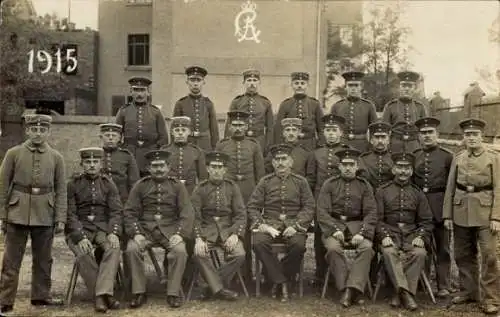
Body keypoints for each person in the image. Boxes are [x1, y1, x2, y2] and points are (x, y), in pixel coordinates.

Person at [0, 114, 66, 313]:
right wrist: (2, 214)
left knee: (44, 259)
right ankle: (5, 298)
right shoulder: (13, 153)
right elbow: (2, 185)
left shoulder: (56, 157)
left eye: (42, 130)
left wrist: (60, 218)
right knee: (11, 259)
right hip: (17, 211)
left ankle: (41, 296)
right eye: (34, 129)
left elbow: (61, 189)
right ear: (27, 130)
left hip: (45, 212)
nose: (38, 133)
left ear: (48, 132)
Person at [123, 150, 194, 309]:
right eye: (155, 166)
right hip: (145, 230)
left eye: (162, 165)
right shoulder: (140, 186)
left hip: (170, 230)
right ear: (148, 168)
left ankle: (173, 292)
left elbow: (187, 212)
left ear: (168, 167)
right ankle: (139, 291)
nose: (159, 169)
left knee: (180, 251)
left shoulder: (177, 186)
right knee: (132, 249)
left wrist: (180, 234)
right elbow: (129, 212)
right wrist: (136, 234)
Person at [443, 118, 500, 315]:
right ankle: (470, 291)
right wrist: (448, 215)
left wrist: (496, 217)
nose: (471, 138)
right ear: (463, 137)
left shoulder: (493, 158)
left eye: (475, 134)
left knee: (490, 256)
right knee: (462, 254)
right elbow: (450, 188)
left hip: (485, 213)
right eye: (468, 135)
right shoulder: (458, 158)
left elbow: (498, 188)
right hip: (460, 212)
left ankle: (491, 297)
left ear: (482, 136)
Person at [248, 144, 315, 302]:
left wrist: (296, 225)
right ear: (272, 163)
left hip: (293, 224)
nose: (280, 163)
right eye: (277, 160)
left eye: (284, 159)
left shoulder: (301, 182)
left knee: (298, 246)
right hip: (270, 224)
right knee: (258, 243)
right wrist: (262, 225)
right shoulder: (265, 182)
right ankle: (283, 281)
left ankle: (276, 277)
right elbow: (252, 206)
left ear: (291, 162)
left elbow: (309, 206)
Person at [316, 148, 377, 307]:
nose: (348, 168)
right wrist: (335, 229)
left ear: (357, 166)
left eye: (352, 164)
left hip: (357, 228)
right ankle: (345, 289)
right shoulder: (329, 184)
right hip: (334, 228)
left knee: (367, 249)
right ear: (339, 166)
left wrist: (363, 233)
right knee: (333, 249)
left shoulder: (365, 186)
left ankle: (351, 289)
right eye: (345, 165)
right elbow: (321, 211)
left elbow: (371, 212)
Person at [65, 147, 123, 313]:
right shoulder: (73, 184)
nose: (91, 165)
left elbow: (116, 211)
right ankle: (102, 296)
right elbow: (70, 214)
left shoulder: (108, 184)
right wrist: (79, 237)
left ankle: (102, 293)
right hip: (78, 229)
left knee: (113, 248)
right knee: (83, 253)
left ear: (101, 164)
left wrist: (113, 232)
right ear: (82, 164)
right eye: (88, 162)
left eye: (95, 162)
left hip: (102, 229)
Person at [375, 152, 433, 311]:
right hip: (390, 233)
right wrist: (384, 236)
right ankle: (406, 295)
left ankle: (398, 292)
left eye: (407, 168)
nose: (403, 171)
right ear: (393, 169)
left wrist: (421, 236)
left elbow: (427, 221)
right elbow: (377, 219)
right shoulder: (382, 191)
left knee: (420, 253)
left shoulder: (418, 193)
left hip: (411, 235)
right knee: (389, 252)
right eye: (399, 167)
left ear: (412, 171)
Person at [191, 151, 246, 301]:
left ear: (225, 170)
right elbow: (194, 216)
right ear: (207, 169)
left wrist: (235, 234)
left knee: (239, 254)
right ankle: (220, 289)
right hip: (206, 231)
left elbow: (241, 214)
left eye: (219, 167)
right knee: (199, 253)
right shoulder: (200, 188)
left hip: (227, 230)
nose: (216, 170)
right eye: (213, 167)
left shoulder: (232, 187)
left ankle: (210, 286)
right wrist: (198, 238)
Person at [306, 114, 350, 284]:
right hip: (320, 201)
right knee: (319, 237)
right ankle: (320, 273)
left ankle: (336, 271)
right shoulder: (316, 153)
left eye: (334, 130)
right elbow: (311, 179)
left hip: (340, 201)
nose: (331, 133)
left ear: (341, 133)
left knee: (339, 236)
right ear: (323, 133)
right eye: (328, 130)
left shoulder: (347, 152)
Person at [412, 117, 453, 297]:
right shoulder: (415, 156)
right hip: (421, 207)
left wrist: (448, 212)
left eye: (430, 132)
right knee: (423, 246)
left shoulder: (447, 156)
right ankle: (424, 281)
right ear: (419, 136)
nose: (427, 136)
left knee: (443, 247)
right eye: (423, 133)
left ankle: (443, 284)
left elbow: (452, 186)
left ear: (437, 134)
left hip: (440, 206)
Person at [115, 77, 169, 177]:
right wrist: (123, 152)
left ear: (148, 92)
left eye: (142, 90)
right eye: (136, 90)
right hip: (130, 153)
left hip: (150, 155)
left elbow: (164, 138)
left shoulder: (155, 112)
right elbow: (116, 135)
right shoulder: (123, 111)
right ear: (131, 92)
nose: (139, 94)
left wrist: (156, 154)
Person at [224, 69, 274, 152]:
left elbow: (270, 127)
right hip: (241, 140)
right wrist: (228, 144)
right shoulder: (237, 101)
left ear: (259, 83)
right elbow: (229, 125)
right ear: (244, 83)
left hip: (260, 141)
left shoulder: (265, 102)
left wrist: (268, 145)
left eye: (255, 80)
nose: (252, 83)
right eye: (249, 80)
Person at [172, 66, 219, 151]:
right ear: (187, 82)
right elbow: (173, 129)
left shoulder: (208, 104)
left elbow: (214, 130)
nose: (195, 84)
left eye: (198, 80)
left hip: (205, 145)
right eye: (192, 80)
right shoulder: (180, 104)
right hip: (187, 144)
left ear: (203, 82)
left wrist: (214, 149)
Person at [273, 72, 323, 151]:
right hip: (290, 144)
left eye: (302, 83)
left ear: (307, 85)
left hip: (310, 144)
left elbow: (321, 128)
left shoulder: (314, 104)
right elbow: (278, 129)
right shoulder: (285, 104)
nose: (299, 86)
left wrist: (320, 146)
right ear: (292, 85)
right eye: (296, 83)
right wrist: (279, 146)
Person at [330, 71, 378, 152]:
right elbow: (331, 128)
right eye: (350, 85)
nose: (353, 88)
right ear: (345, 87)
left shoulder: (368, 106)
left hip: (362, 146)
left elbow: (375, 129)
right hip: (341, 145)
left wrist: (372, 147)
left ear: (361, 87)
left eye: (356, 85)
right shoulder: (337, 106)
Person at [382, 71, 427, 153]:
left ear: (414, 88)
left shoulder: (420, 107)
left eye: (410, 86)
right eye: (404, 85)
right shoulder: (390, 106)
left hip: (414, 146)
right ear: (399, 88)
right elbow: (384, 130)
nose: (407, 89)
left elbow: (425, 129)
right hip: (395, 145)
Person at [161, 116, 208, 194]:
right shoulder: (165, 151)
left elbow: (203, 178)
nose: (180, 133)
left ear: (189, 132)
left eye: (183, 130)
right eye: (177, 130)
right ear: (172, 132)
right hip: (169, 192)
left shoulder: (196, 151)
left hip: (191, 192)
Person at [99, 123, 140, 203]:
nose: (110, 138)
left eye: (114, 136)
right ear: (101, 137)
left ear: (119, 138)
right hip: (100, 197)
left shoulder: (126, 155)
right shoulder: (96, 155)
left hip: (121, 198)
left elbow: (134, 181)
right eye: (107, 135)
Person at [358, 122, 394, 189]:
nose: (380, 141)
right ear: (371, 140)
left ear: (388, 140)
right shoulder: (363, 159)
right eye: (377, 137)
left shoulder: (394, 159)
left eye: (383, 137)